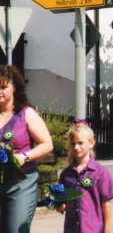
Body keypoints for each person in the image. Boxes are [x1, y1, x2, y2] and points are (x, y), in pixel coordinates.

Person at [0, 64, 53, 233]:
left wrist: (24, 157)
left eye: (3, 87)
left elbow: (47, 144)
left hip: (21, 183)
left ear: (14, 87)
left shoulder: (26, 113)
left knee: (16, 229)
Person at [56, 123, 113, 233]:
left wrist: (107, 229)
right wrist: (59, 204)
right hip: (72, 229)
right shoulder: (66, 174)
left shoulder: (100, 172)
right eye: (73, 143)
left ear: (91, 143)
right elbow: (61, 205)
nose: (76, 147)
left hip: (93, 229)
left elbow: (106, 203)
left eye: (80, 143)